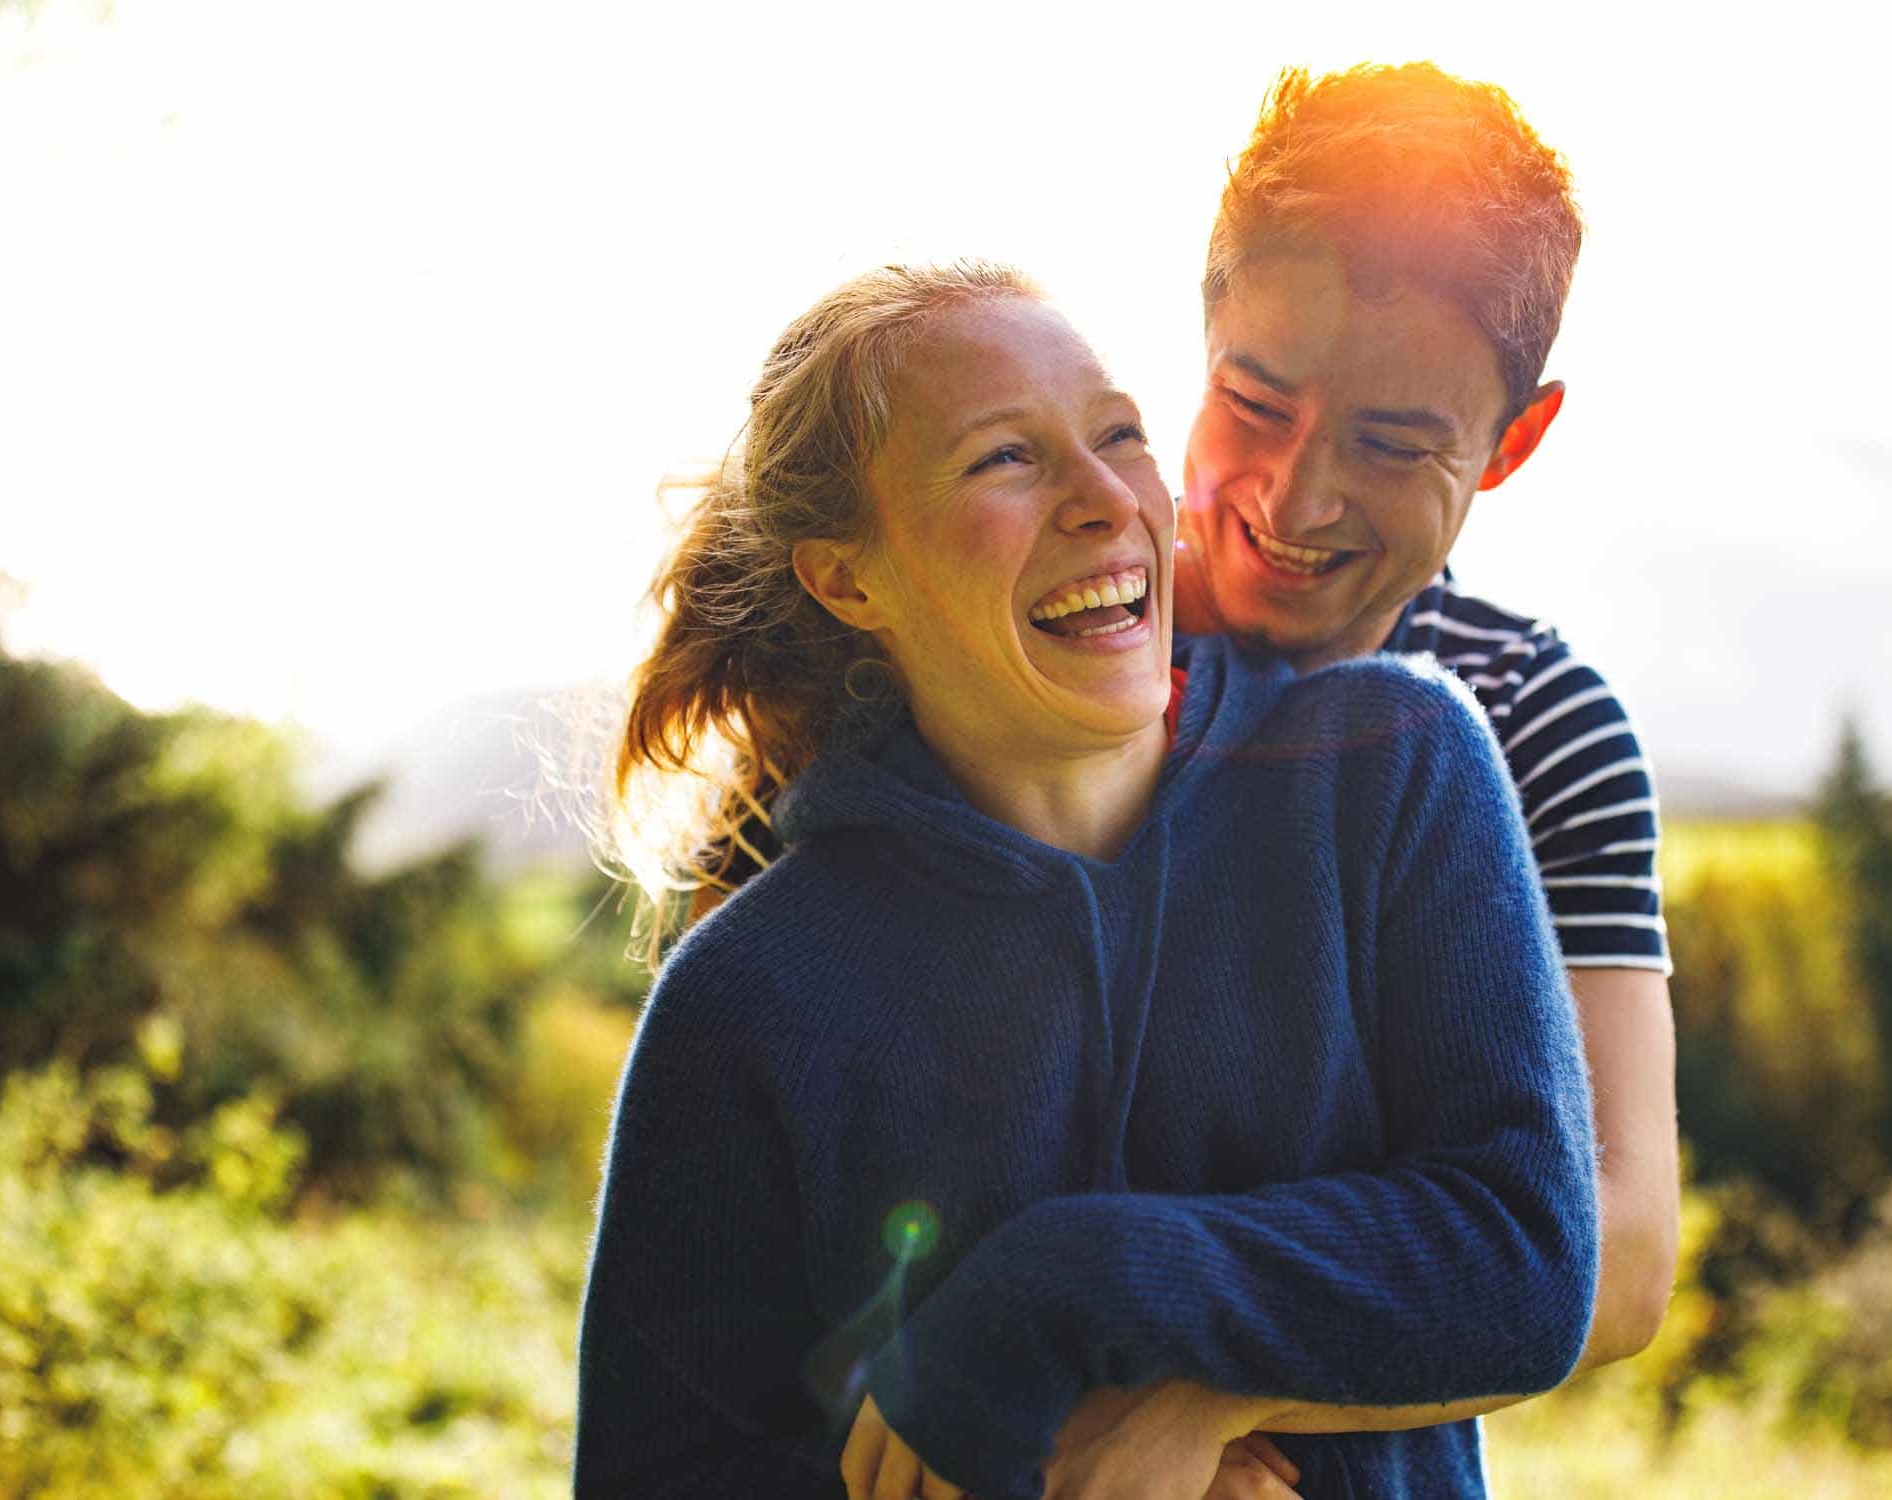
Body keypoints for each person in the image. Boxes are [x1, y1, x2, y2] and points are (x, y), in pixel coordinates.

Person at [575, 261, 1598, 1499]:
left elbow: (1526, 1265)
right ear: (847, 577)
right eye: (1004, 458)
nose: (1107, 498)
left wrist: (1067, 1290)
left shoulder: (1391, 767)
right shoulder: (746, 999)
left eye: (1120, 435)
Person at [1172, 62, 1681, 1392]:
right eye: (1254, 405)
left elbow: (1619, 1256)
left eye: (1393, 447)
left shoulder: (1533, 722)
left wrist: (1208, 1395)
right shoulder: (1034, 625)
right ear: (1204, 321)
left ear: (1512, 441)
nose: (1293, 501)